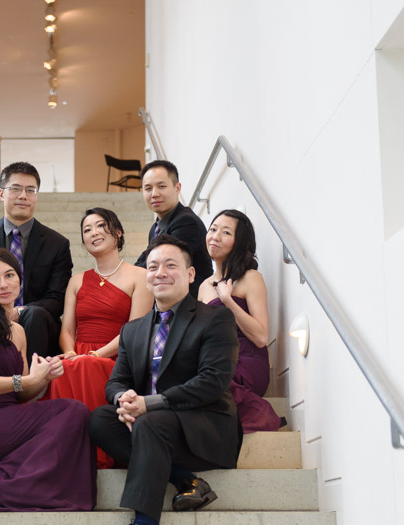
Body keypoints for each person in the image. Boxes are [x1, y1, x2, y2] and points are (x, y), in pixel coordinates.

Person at [88, 234, 240, 525]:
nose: (160, 272)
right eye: (153, 266)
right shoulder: (133, 330)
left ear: (189, 274)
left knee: (150, 422)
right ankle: (185, 480)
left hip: (205, 425)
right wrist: (124, 399)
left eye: (171, 265)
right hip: (153, 425)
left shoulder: (215, 319)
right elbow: (116, 381)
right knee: (100, 419)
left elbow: (212, 383)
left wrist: (149, 404)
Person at [0, 248, 96, 511]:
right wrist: (26, 381)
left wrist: (43, 377)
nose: (3, 284)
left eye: (9, 275)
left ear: (20, 279)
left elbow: (21, 394)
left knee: (74, 411)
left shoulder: (17, 329)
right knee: (73, 411)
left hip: (5, 417)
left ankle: (17, 481)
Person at [45, 207, 153, 469]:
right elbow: (67, 330)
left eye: (100, 226)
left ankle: (99, 452)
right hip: (79, 353)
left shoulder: (140, 276)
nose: (93, 232)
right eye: (86, 229)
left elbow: (134, 329)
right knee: (60, 367)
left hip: (119, 355)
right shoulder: (77, 281)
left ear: (117, 232)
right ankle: (67, 451)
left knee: (87, 365)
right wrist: (70, 352)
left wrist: (97, 354)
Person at [0, 161, 72, 364]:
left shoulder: (57, 244)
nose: (23, 196)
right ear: (1, 193)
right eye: (15, 189)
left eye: (30, 190)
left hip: (34, 320)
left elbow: (58, 297)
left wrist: (18, 312)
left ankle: (28, 385)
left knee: (35, 314)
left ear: (36, 195)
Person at [198, 209, 281, 433]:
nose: (214, 236)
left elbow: (261, 336)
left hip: (247, 361)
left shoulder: (250, 278)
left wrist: (228, 301)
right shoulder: (204, 286)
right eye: (212, 229)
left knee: (207, 379)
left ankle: (258, 412)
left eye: (225, 232)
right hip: (216, 361)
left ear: (239, 242)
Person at [134, 160, 212, 297]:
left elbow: (153, 264)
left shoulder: (186, 222)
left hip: (190, 307)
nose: (154, 194)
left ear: (177, 188)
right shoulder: (156, 227)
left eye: (161, 186)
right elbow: (145, 261)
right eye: (148, 188)